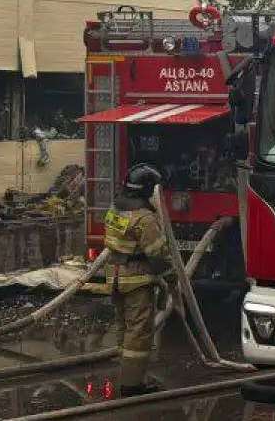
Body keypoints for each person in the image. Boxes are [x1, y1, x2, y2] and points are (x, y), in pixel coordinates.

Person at [101, 164, 170, 397]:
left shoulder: (115, 209)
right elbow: (157, 255)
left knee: (124, 329)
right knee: (138, 333)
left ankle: (127, 376)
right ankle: (132, 385)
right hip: (137, 281)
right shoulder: (145, 218)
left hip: (115, 277)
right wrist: (170, 278)